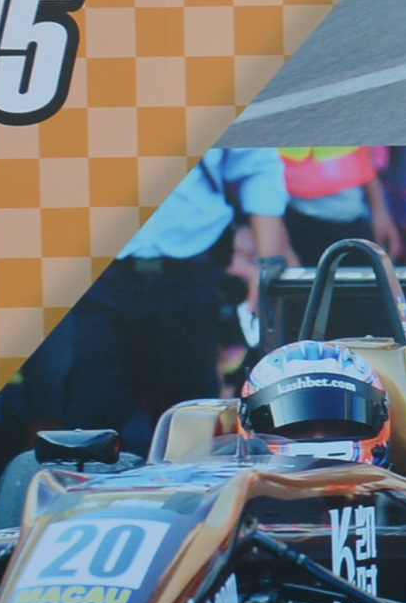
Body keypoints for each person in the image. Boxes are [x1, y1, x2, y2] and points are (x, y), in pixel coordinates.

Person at [22, 145, 287, 452]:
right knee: (88, 412)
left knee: (191, 422)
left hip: (191, 275)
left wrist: (267, 265)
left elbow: (257, 167)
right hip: (98, 277)